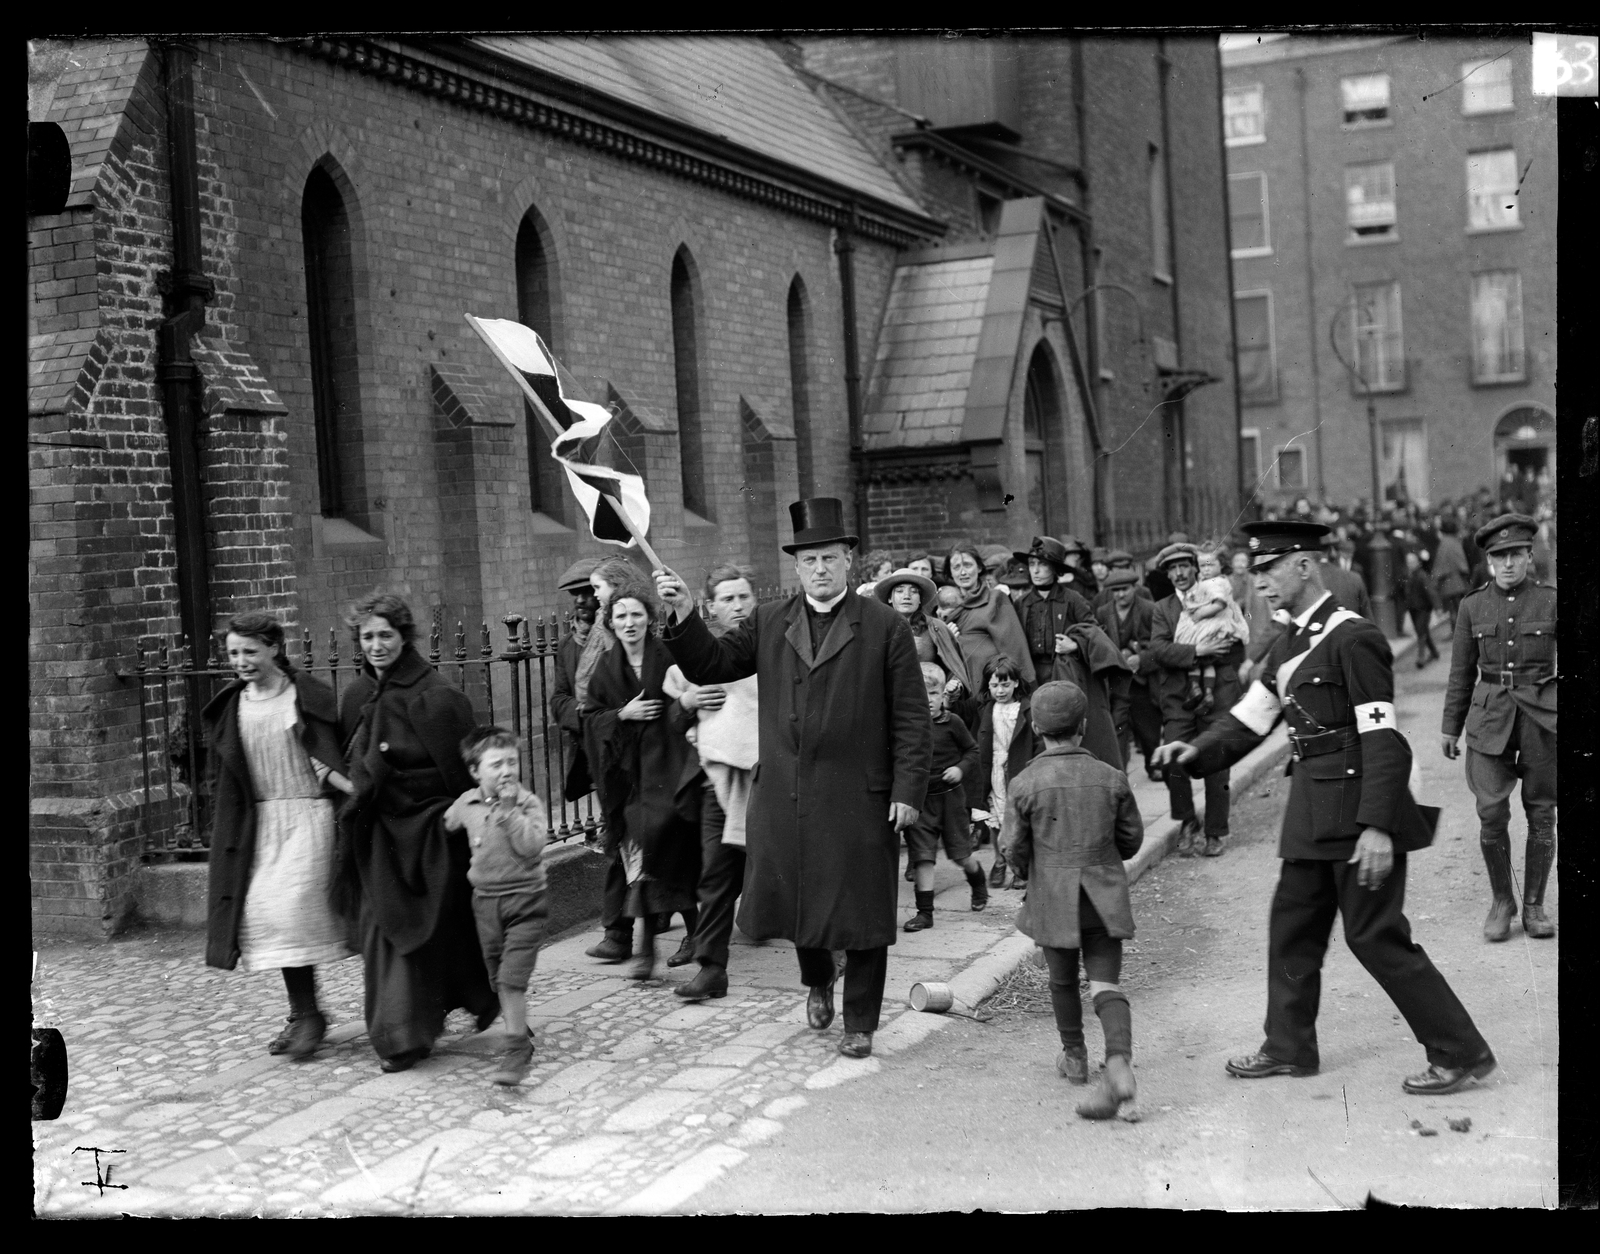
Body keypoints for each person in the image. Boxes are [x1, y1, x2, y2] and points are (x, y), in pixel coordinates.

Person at [1155, 520, 1496, 1096]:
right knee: (1292, 929)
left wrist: (1377, 828)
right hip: (1312, 812)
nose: (1258, 582)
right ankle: (1289, 1048)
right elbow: (1250, 718)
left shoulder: (1353, 636)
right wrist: (1196, 751)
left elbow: (1382, 738)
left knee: (1375, 937)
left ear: (1306, 567)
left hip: (1359, 810)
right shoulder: (1288, 643)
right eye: (1256, 572)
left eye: (1269, 570)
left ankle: (1460, 1051)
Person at [654, 497, 931, 1060]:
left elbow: (910, 717)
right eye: (809, 561)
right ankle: (817, 978)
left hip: (860, 797)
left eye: (829, 558)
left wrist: (908, 791)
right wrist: (683, 613)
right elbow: (712, 666)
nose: (820, 569)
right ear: (797, 568)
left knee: (862, 912)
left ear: (848, 561)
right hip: (788, 794)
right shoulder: (769, 620)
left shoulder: (884, 626)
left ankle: (860, 1022)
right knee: (799, 899)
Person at [335, 593, 498, 1073]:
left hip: (428, 832)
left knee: (426, 928)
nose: (376, 645)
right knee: (384, 929)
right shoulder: (358, 695)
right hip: (378, 835)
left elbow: (462, 775)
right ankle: (404, 1034)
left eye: (386, 635)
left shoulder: (437, 695)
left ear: (405, 637)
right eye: (367, 637)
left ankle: (413, 1030)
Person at [203, 611, 356, 1061]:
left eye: (250, 651)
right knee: (265, 914)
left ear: (274, 647)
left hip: (309, 816)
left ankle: (312, 1015)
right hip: (262, 823)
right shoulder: (234, 705)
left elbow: (328, 756)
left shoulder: (305, 696)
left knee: (292, 910)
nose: (241, 661)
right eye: (233, 653)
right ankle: (305, 1012)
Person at [1002, 681, 1144, 1120]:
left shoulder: (1024, 783)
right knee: (1106, 984)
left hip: (1053, 898)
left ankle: (1075, 1057)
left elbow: (1012, 847)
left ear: (1034, 726)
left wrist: (1031, 873)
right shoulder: (1111, 777)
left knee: (1061, 981)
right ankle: (1118, 1061)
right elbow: (1132, 839)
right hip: (1102, 897)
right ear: (1084, 726)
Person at [1440, 513, 1558, 942]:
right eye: (1499, 556)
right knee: (1491, 813)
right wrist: (1449, 727)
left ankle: (1534, 905)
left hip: (1542, 719)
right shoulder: (1473, 606)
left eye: (1515, 554)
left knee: (1542, 812)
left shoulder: (1551, 600)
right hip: (1489, 719)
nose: (1508, 564)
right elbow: (1460, 672)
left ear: (1530, 556)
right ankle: (1502, 901)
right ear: (1489, 562)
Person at [582, 584, 704, 981]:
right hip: (630, 779)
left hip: (671, 767)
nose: (629, 623)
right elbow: (592, 719)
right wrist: (622, 713)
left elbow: (689, 700)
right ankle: (652, 948)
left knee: (669, 852)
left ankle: (678, 939)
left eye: (636, 614)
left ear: (649, 618)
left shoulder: (667, 656)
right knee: (645, 857)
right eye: (620, 616)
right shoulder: (605, 667)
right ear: (610, 623)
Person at [671, 564, 761, 1002]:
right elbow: (669, 714)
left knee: (793, 869)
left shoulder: (770, 647)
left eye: (743, 596)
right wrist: (687, 702)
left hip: (768, 777)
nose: (738, 606)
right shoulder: (699, 656)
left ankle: (826, 952)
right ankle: (712, 967)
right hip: (716, 780)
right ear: (711, 606)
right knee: (716, 874)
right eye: (727, 599)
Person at [443, 726, 549, 1086]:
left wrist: (508, 812)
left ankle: (516, 1048)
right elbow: (447, 823)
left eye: (512, 762)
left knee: (510, 977)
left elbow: (532, 845)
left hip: (526, 903)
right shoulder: (466, 804)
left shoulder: (527, 803)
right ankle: (517, 1025)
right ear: (475, 772)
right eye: (496, 764)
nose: (507, 771)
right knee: (497, 977)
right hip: (485, 904)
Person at [1147, 543, 1245, 857]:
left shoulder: (1216, 596)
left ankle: (1216, 830)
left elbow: (1236, 642)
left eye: (1184, 567)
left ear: (1195, 567)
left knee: (1217, 763)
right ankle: (1188, 820)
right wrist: (1196, 652)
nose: (1179, 574)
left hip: (1217, 695)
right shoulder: (1162, 608)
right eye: (1172, 569)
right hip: (1178, 697)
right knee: (1172, 762)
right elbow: (1158, 650)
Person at [1012, 535, 1129, 767]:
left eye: (1042, 565)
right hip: (1034, 677)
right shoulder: (1022, 604)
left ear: (1055, 569)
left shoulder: (1073, 599)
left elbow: (1095, 632)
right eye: (1032, 565)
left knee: (1075, 732)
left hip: (1067, 675)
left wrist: (1075, 644)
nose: (1035, 571)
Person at [903, 662, 987, 931]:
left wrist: (959, 769)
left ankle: (978, 883)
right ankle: (925, 913)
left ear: (943, 696)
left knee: (961, 855)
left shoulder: (953, 723)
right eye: (920, 693)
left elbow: (972, 752)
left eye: (934, 693)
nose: (927, 700)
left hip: (951, 799)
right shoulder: (907, 725)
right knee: (923, 856)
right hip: (921, 801)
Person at [975, 655, 1037, 890]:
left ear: (1016, 684)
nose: (1000, 691)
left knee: (1019, 821)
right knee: (996, 820)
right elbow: (960, 708)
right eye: (994, 685)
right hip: (994, 773)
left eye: (1005, 684)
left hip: (1018, 771)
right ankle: (1000, 861)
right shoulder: (986, 708)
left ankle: (1020, 867)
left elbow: (1035, 741)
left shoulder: (1026, 709)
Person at [547, 557, 600, 823]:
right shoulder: (568, 645)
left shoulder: (620, 637)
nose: (580, 600)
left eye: (587, 593)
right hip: (588, 744)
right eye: (575, 594)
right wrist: (580, 712)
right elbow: (558, 698)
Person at [1096, 568, 1162, 781]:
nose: (1120, 595)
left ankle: (1154, 765)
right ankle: (1119, 771)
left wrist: (1140, 658)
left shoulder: (1149, 610)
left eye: (1125, 589)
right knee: (1117, 726)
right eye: (1115, 590)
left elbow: (1160, 647)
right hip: (1116, 681)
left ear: (1135, 587)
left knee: (1148, 728)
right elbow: (1100, 644)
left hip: (1142, 681)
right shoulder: (1103, 612)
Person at [946, 540, 1036, 690]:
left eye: (968, 565)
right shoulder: (945, 604)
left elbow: (1014, 647)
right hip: (958, 684)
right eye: (956, 567)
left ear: (979, 567)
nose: (962, 572)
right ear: (950, 572)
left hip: (991, 682)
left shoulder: (995, 599)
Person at [1172, 547, 1250, 715]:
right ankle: (1205, 692)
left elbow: (1219, 604)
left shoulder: (1217, 582)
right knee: (1204, 659)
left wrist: (1199, 613)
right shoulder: (1209, 581)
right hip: (1211, 624)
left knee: (1198, 654)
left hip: (1213, 623)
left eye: (1210, 565)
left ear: (1221, 565)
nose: (1206, 569)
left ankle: (1197, 687)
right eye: (1202, 565)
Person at [875, 567, 971, 702]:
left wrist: (954, 685)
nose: (906, 596)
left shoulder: (936, 627)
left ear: (920, 599)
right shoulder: (879, 630)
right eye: (900, 591)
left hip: (929, 703)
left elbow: (955, 669)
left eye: (914, 592)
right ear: (890, 598)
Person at [1402, 552, 1441, 668]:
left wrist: (1438, 607)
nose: (1410, 564)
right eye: (1408, 562)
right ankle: (1434, 652)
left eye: (1412, 562)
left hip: (1423, 608)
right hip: (1413, 608)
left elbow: (1431, 592)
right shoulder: (1408, 575)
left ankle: (1421, 658)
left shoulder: (1421, 575)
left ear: (1418, 563)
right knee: (1423, 631)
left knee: (1420, 631)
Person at [1431, 517, 1470, 623]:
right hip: (1457, 582)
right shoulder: (1453, 542)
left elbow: (1439, 564)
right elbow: (1462, 563)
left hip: (1449, 583)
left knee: (1454, 610)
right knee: (1458, 609)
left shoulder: (1444, 543)